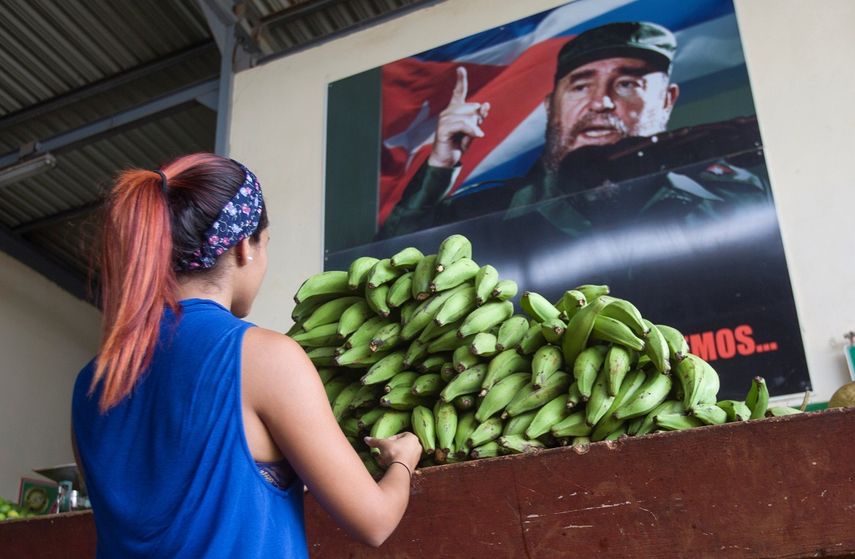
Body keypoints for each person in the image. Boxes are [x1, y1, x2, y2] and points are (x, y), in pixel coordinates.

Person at [71, 153, 422, 558]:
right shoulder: (263, 358)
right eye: (266, 243)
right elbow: (374, 521)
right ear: (244, 247)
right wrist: (403, 460)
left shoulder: (91, 382)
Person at [377, 21, 768, 239]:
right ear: (551, 108)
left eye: (628, 83)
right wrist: (441, 163)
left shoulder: (734, 198)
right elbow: (396, 260)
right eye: (581, 86)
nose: (600, 102)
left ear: (667, 100)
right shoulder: (485, 212)